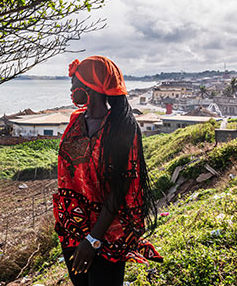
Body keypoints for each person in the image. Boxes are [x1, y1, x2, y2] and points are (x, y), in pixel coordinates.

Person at [53, 56, 162, 286]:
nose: (71, 87)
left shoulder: (122, 128)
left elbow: (120, 189)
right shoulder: (75, 122)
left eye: (75, 81)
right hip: (73, 228)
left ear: (90, 87)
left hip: (106, 233)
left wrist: (93, 239)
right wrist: (78, 233)